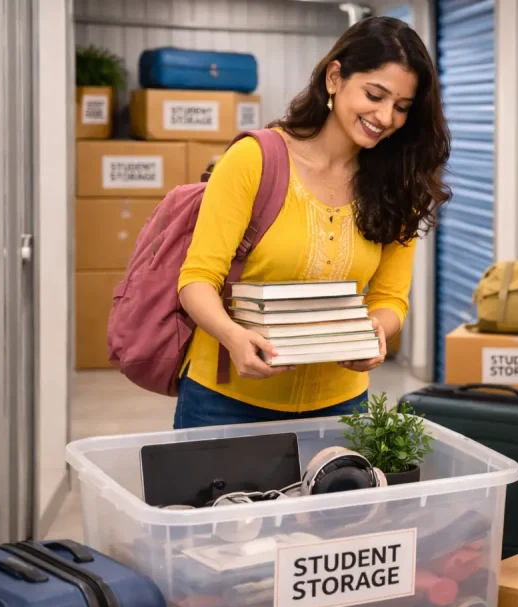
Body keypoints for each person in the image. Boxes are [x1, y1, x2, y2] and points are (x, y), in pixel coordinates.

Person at [174, 16, 450, 429]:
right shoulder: (255, 160)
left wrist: (374, 332)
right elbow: (196, 279)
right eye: (375, 95)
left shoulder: (397, 185)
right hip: (224, 402)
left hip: (341, 407)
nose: (386, 116)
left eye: (402, 107)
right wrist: (233, 337)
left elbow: (391, 298)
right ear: (335, 77)